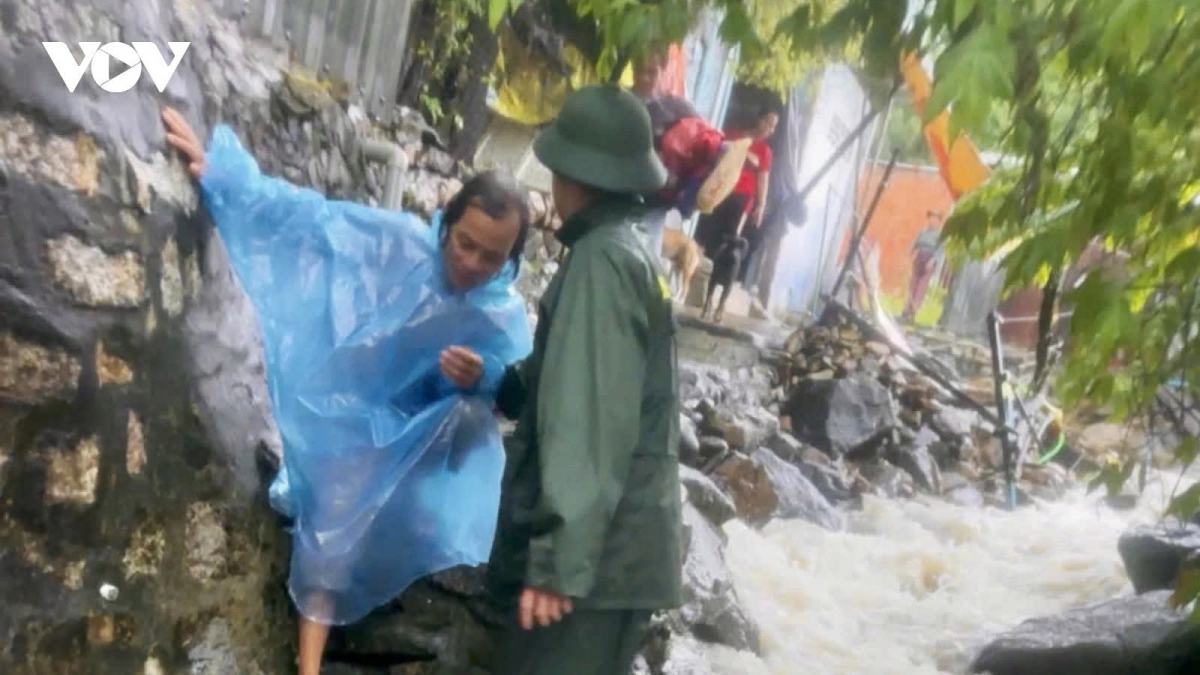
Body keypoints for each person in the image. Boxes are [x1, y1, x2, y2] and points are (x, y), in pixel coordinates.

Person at [161, 107, 534, 675]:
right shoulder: (398, 246)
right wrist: (226, 179)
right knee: (336, 520)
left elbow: (521, 397)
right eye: (464, 243)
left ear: (512, 260)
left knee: (455, 438)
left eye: (491, 257)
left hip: (424, 445)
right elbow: (311, 222)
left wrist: (487, 377)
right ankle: (309, 663)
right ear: (446, 223)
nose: (471, 263)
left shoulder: (501, 315)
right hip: (355, 416)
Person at [484, 84, 682, 675]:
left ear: (571, 175)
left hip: (592, 569)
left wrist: (558, 566)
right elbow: (589, 381)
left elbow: (590, 416)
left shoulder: (602, 261)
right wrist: (504, 384)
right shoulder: (626, 250)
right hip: (612, 560)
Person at [903, 211, 943, 323]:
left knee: (921, 287)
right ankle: (906, 310)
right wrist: (911, 252)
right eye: (931, 218)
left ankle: (913, 312)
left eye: (935, 219)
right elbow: (916, 243)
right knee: (913, 284)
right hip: (919, 258)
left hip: (929, 260)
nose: (932, 221)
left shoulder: (940, 235)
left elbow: (940, 251)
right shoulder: (923, 232)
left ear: (939, 221)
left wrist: (932, 261)